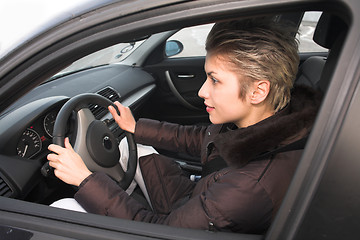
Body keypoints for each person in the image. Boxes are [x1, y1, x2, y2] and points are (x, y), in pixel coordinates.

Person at [47, 17, 321, 233]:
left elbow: (159, 232)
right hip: (195, 200)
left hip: (181, 219)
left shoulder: (247, 189)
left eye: (214, 80)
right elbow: (200, 137)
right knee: (130, 147)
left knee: (63, 207)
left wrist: (85, 179)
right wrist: (135, 126)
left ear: (258, 92)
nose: (203, 91)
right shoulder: (270, 120)